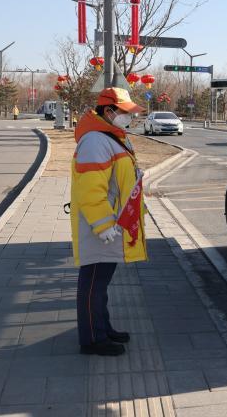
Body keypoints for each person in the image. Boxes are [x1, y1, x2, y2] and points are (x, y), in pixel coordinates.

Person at [70, 87, 148, 356]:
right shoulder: (95, 140)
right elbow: (91, 188)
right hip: (101, 226)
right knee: (93, 283)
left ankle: (102, 327)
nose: (129, 117)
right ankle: (92, 339)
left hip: (111, 224)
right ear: (109, 111)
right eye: (125, 113)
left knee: (100, 283)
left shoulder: (109, 137)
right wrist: (103, 224)